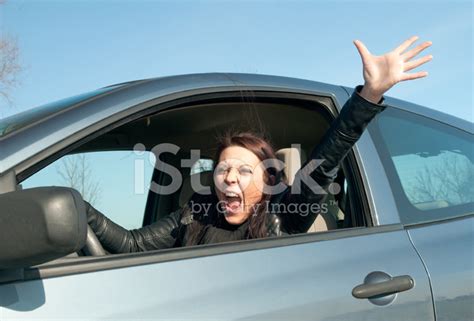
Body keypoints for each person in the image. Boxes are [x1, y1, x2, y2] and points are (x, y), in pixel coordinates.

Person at [85, 36, 432, 252]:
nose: (230, 178)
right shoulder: (194, 214)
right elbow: (131, 245)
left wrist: (368, 95)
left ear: (268, 181)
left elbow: (326, 158)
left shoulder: (282, 215)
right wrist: (76, 209)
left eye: (244, 170)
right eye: (223, 169)